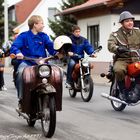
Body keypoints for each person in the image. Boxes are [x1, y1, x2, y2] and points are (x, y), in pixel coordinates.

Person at [10, 15, 61, 109]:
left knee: (56, 73)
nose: (43, 25)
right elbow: (14, 47)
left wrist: (57, 53)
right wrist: (18, 52)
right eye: (42, 23)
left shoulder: (44, 36)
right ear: (35, 25)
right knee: (21, 73)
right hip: (27, 62)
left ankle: (54, 99)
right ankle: (21, 99)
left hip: (42, 63)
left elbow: (51, 47)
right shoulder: (23, 36)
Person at [108, 11, 140, 102]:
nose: (130, 23)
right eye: (127, 21)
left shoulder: (138, 32)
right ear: (122, 23)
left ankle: (137, 90)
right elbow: (110, 45)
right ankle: (123, 91)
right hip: (123, 59)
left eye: (131, 20)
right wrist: (117, 48)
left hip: (136, 58)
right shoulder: (116, 34)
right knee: (119, 70)